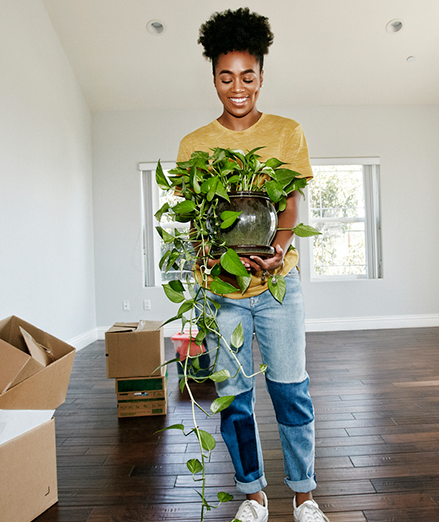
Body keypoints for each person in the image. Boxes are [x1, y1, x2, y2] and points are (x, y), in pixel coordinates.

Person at [175, 8, 329, 522]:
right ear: (213, 77)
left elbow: (288, 204)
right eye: (225, 76)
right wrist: (205, 255)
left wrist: (282, 247)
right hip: (220, 292)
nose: (236, 88)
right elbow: (196, 218)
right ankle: (252, 494)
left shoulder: (288, 133)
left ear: (262, 76)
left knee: (291, 389)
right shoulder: (194, 146)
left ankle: (304, 495)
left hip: (277, 286)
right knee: (234, 398)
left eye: (247, 76)